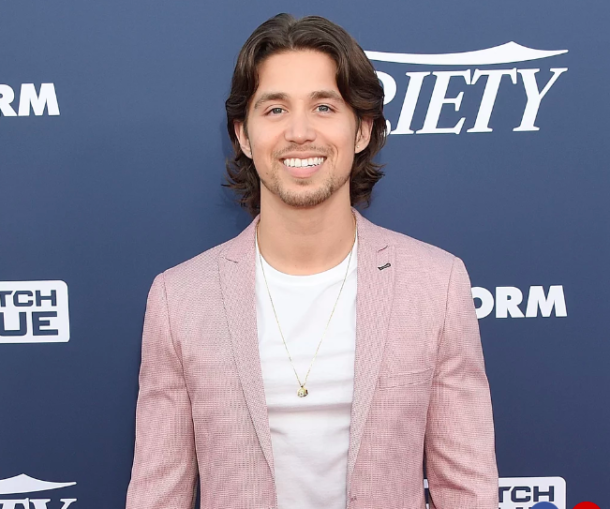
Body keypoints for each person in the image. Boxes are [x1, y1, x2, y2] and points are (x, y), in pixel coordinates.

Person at [125, 13, 498, 509]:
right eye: (275, 109)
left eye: (324, 106)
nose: (299, 132)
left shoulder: (436, 284)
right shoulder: (179, 299)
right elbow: (158, 493)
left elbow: (468, 491)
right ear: (243, 134)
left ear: (361, 129)